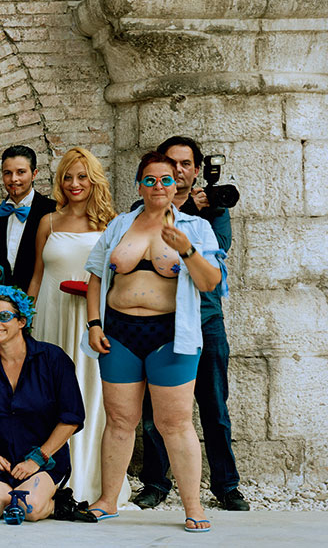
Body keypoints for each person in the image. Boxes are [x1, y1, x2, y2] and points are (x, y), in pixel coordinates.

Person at [84, 151, 226, 532]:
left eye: (166, 179)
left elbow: (211, 283)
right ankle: (107, 500)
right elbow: (96, 275)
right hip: (119, 333)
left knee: (175, 423)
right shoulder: (119, 225)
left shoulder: (195, 227)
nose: (159, 186)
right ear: (139, 183)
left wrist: (186, 250)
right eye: (150, 179)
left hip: (171, 336)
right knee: (119, 420)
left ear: (178, 182)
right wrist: (94, 323)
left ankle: (193, 507)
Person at [135, 136, 249, 512]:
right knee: (154, 412)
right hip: (159, 323)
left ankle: (226, 486)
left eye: (186, 164)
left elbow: (216, 254)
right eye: (171, 163)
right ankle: (155, 483)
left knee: (214, 405)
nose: (179, 171)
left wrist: (197, 212)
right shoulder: (142, 209)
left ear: (197, 170)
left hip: (205, 320)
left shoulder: (213, 209)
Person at [25, 146, 123, 507]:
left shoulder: (112, 224)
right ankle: (48, 477)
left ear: (94, 179)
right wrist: (25, 322)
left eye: (82, 176)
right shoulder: (47, 222)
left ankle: (89, 480)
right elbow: (37, 276)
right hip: (50, 316)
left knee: (89, 393)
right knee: (47, 396)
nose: (74, 184)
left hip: (90, 320)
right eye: (67, 177)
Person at [0, 286, 85, 522]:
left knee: (30, 508)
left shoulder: (53, 359)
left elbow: (71, 418)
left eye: (4, 317)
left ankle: (56, 504)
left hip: (43, 460)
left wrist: (37, 458)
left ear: (22, 321)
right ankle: (14, 496)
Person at [0, 145, 55, 291]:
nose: (14, 179)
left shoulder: (53, 211)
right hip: (1, 299)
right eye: (8, 173)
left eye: (21, 172)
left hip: (42, 296)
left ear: (34, 174)